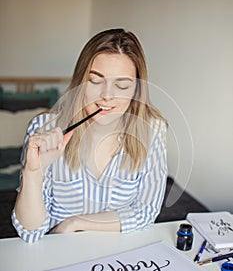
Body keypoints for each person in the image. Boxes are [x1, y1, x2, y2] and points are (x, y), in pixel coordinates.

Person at [12, 28, 168, 243]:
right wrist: (33, 172)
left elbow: (146, 212)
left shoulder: (153, 130)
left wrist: (75, 223)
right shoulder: (44, 127)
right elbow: (30, 233)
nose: (106, 96)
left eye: (122, 85)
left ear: (136, 90)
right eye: (95, 81)